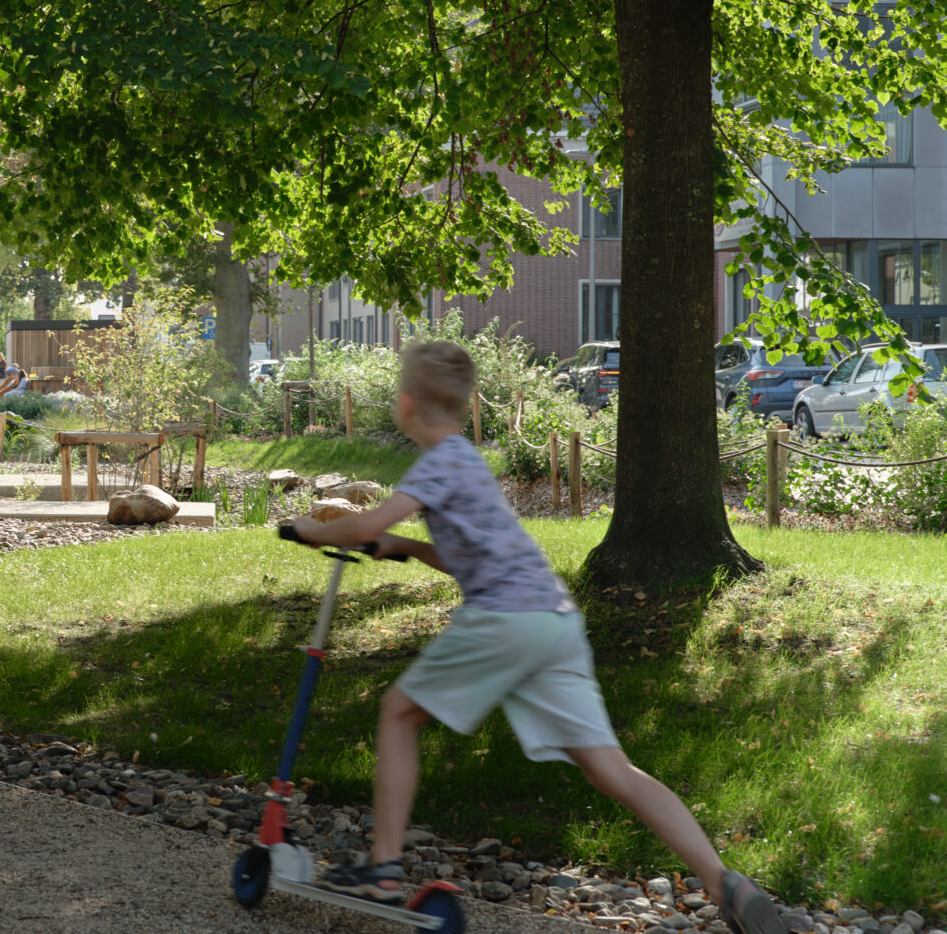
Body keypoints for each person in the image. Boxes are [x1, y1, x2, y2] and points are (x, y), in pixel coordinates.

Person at [287, 340, 786, 934]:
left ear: (404, 404)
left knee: (398, 714)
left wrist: (306, 527)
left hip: (504, 618)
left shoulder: (437, 462)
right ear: (464, 402)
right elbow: (462, 556)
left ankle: (384, 869)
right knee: (611, 770)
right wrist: (407, 548)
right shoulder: (469, 461)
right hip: (552, 621)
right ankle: (724, 882)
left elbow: (366, 521)